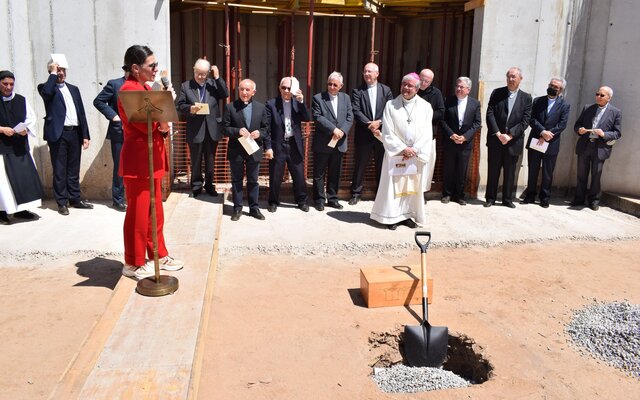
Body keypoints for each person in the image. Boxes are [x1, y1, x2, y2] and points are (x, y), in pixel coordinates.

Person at [117, 44, 184, 279]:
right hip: (139, 163)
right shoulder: (129, 90)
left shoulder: (146, 87)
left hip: (152, 159)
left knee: (155, 211)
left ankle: (158, 253)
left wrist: (165, 106)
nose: (156, 68)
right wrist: (165, 106)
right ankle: (133, 262)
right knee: (138, 213)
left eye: (156, 64)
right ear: (136, 68)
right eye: (151, 65)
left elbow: (163, 128)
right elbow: (147, 127)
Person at [370, 73, 434, 230]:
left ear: (417, 89)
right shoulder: (391, 105)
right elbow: (387, 131)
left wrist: (415, 150)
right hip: (397, 154)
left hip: (415, 155)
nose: (406, 88)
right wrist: (403, 149)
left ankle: (407, 216)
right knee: (393, 187)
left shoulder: (426, 107)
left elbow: (427, 132)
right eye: (404, 84)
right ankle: (392, 217)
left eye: (410, 86)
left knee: (411, 188)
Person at [38, 59, 93, 215]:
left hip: (75, 132)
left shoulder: (74, 89)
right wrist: (53, 74)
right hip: (58, 134)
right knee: (60, 169)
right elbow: (47, 94)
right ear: (51, 72)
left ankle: (75, 199)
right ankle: (62, 202)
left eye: (62, 70)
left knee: (74, 169)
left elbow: (81, 112)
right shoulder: (46, 87)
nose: (61, 73)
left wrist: (85, 134)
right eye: (58, 70)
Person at [176, 58, 229, 198]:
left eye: (203, 74)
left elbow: (225, 94)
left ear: (208, 73)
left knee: (210, 160)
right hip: (195, 128)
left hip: (212, 128)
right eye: (198, 73)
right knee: (196, 160)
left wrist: (217, 77)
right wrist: (190, 108)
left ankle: (210, 185)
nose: (200, 76)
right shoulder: (186, 86)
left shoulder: (213, 84)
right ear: (194, 70)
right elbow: (180, 105)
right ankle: (196, 186)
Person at [485, 67, 532, 208]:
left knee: (510, 172)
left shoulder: (526, 98)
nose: (510, 79)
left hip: (513, 141)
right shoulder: (497, 93)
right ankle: (490, 198)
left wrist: (510, 135)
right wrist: (498, 134)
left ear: (520, 79)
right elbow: (490, 113)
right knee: (493, 170)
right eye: (508, 77)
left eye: (513, 77)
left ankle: (507, 199)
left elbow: (525, 120)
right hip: (496, 139)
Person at [0, 70, 43, 225]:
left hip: (19, 147)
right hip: (2, 148)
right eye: (5, 84)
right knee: (4, 183)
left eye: (11, 84)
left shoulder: (21, 100)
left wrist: (26, 130)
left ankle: (22, 209)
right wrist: (2, 129)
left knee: (23, 179)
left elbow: (31, 118)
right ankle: (2, 212)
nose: (8, 87)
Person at [223, 78, 268, 221]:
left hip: (254, 149)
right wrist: (237, 131)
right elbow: (224, 129)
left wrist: (259, 133)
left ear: (253, 92)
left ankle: (254, 208)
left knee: (253, 180)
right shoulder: (230, 107)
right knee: (236, 180)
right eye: (242, 89)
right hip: (236, 150)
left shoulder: (261, 108)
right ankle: (237, 208)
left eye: (247, 90)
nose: (244, 92)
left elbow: (266, 129)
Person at [348, 63, 393, 205]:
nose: (367, 74)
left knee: (381, 165)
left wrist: (379, 122)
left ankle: (381, 194)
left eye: (369, 71)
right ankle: (356, 193)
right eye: (365, 71)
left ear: (377, 74)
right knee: (360, 164)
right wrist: (370, 124)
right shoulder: (357, 91)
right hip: (364, 134)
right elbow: (355, 110)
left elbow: (390, 110)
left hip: (381, 134)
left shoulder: (386, 90)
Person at [263, 76, 310, 213]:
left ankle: (301, 201)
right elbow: (267, 128)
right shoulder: (271, 104)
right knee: (275, 176)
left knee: (299, 175)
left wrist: (301, 101)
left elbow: (307, 118)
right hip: (278, 144)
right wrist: (268, 147)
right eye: (283, 88)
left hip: (294, 144)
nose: (286, 90)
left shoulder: (297, 103)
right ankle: (273, 201)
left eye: (289, 88)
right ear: (279, 88)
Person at [571, 86, 622, 211]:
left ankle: (593, 201)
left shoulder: (615, 112)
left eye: (602, 95)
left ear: (609, 98)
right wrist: (579, 130)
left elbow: (617, 133)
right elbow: (577, 124)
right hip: (585, 145)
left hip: (600, 148)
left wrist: (604, 134)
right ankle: (579, 199)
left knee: (596, 175)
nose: (598, 97)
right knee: (581, 174)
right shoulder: (588, 108)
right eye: (597, 94)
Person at [523, 77, 570, 208]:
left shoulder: (565, 105)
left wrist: (547, 135)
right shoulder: (538, 101)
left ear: (561, 90)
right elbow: (532, 119)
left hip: (551, 143)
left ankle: (544, 197)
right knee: (533, 169)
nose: (552, 88)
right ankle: (530, 195)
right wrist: (542, 132)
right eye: (551, 85)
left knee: (547, 172)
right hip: (536, 140)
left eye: (556, 87)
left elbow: (562, 124)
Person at [311, 71, 353, 211]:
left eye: (335, 85)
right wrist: (333, 129)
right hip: (323, 142)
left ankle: (333, 198)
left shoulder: (346, 98)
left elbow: (350, 117)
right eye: (330, 84)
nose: (332, 87)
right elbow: (317, 117)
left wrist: (342, 131)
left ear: (341, 85)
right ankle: (319, 199)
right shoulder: (318, 98)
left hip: (339, 142)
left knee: (335, 172)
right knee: (319, 173)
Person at [440, 77, 481, 206]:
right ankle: (447, 194)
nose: (458, 89)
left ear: (468, 89)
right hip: (450, 141)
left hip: (465, 143)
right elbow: (443, 121)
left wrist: (465, 137)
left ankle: (459, 195)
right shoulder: (448, 101)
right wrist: (451, 135)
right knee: (449, 169)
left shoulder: (475, 104)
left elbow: (477, 123)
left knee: (462, 170)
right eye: (457, 86)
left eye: (461, 87)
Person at [93, 69, 128, 211]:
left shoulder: (141, 85)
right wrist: (114, 116)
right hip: (119, 132)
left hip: (137, 133)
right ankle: (118, 200)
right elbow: (98, 101)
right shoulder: (114, 84)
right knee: (120, 166)